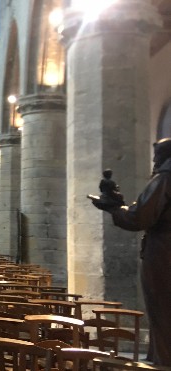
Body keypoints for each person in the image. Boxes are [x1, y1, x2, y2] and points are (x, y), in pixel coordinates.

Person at [91, 137, 171, 366]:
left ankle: (163, 362)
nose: (154, 160)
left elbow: (139, 217)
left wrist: (113, 208)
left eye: (157, 156)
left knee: (162, 311)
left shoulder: (165, 178)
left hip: (163, 254)